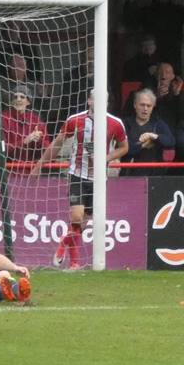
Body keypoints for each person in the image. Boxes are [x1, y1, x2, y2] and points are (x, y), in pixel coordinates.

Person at [31, 91, 129, 270]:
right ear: (89, 100)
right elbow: (57, 144)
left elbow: (124, 148)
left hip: (99, 178)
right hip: (77, 173)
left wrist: (106, 158)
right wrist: (40, 164)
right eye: (95, 98)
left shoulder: (115, 123)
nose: (98, 102)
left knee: (84, 221)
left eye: (103, 100)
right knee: (76, 217)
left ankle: (72, 258)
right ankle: (64, 251)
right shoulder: (75, 120)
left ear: (107, 103)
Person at [121, 88, 175, 176]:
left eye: (149, 105)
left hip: (154, 175)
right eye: (142, 105)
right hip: (129, 174)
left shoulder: (158, 124)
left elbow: (171, 142)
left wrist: (153, 136)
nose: (145, 108)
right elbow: (124, 149)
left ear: (153, 107)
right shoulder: (125, 124)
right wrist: (142, 145)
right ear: (135, 105)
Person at [1, 85, 51, 165]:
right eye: (15, 97)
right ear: (11, 101)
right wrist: (24, 142)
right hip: (8, 167)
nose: (18, 100)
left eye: (22, 97)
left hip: (30, 167)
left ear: (28, 102)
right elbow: (2, 149)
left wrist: (38, 141)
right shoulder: (3, 118)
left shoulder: (35, 120)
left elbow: (46, 147)